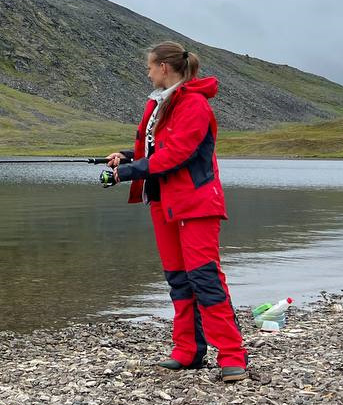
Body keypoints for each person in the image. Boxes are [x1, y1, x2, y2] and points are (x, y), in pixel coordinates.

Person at [106, 41, 248, 382]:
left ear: (164, 68)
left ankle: (232, 355)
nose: (148, 72)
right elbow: (158, 146)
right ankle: (188, 351)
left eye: (150, 66)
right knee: (178, 279)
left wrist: (128, 172)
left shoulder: (195, 105)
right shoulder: (161, 103)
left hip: (196, 204)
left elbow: (178, 154)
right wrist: (127, 156)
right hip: (164, 203)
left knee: (205, 278)